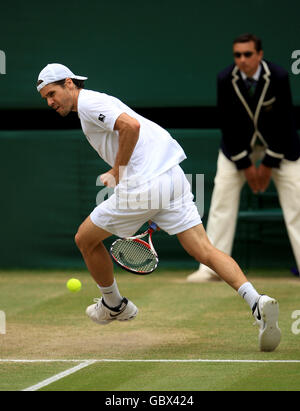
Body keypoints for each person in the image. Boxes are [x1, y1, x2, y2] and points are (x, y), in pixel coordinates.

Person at [37, 63, 281, 351]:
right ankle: (257, 301)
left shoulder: (89, 103)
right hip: (172, 177)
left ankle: (114, 304)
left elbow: (131, 125)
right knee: (204, 250)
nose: (50, 102)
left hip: (143, 183)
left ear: (68, 83)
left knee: (85, 239)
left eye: (52, 93)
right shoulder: (94, 104)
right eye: (45, 99)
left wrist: (118, 169)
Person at [188, 33, 300, 283]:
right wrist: (246, 165)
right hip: (237, 147)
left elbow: (285, 123)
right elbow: (227, 124)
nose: (242, 59)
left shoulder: (279, 76)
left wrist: (268, 164)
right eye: (237, 55)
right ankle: (212, 269)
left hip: (281, 146)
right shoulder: (225, 78)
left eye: (248, 54)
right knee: (221, 201)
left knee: (298, 202)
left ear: (259, 55)